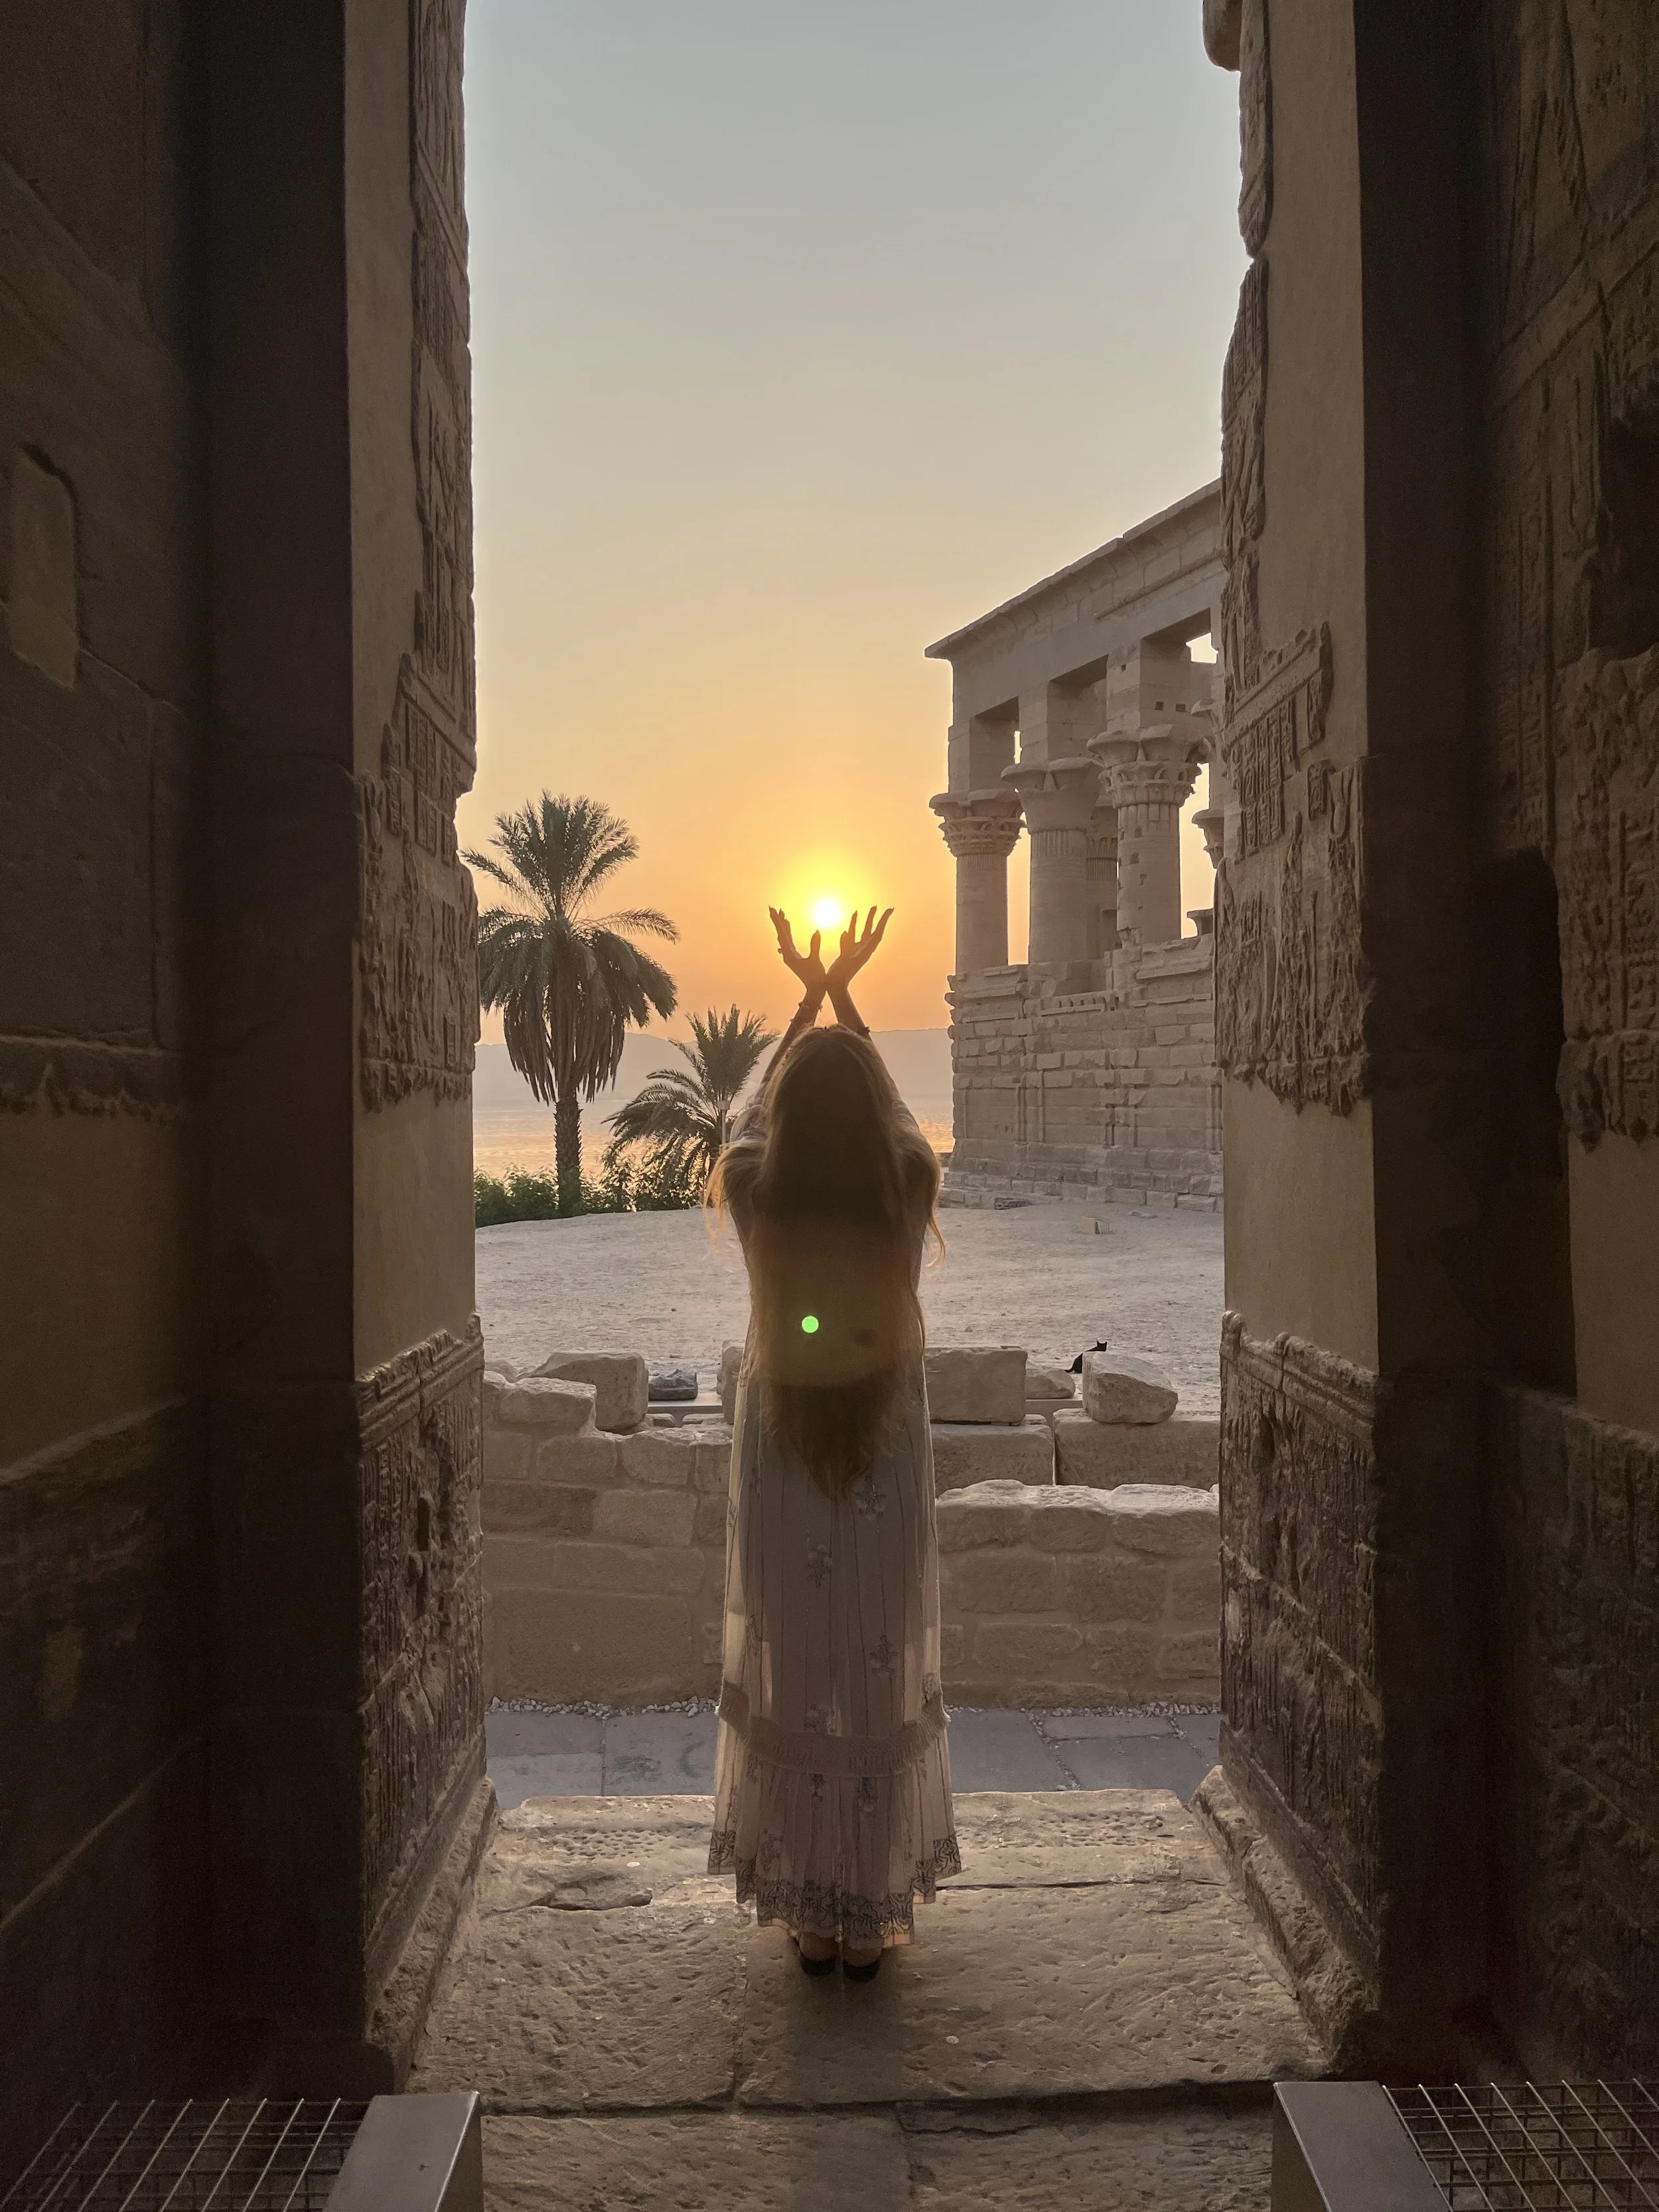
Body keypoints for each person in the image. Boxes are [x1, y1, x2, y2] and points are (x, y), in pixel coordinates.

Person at [705, 905, 960, 1979]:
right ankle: (868, 1910)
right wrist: (845, 1005)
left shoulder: (758, 1193)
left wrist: (809, 1007)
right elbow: (898, 1120)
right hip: (883, 1451)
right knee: (875, 1659)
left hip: (786, 1454)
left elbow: (750, 1118)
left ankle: (812, 1914)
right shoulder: (906, 1190)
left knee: (795, 1655)